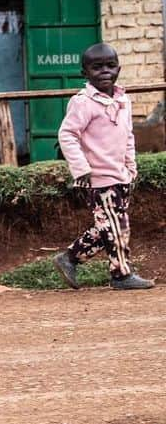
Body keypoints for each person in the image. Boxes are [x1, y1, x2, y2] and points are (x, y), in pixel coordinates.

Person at [53, 43, 154, 291]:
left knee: (108, 226)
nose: (105, 71)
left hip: (120, 174)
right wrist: (81, 168)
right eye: (97, 67)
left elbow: (127, 135)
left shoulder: (123, 100)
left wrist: (131, 166)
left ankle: (69, 258)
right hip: (98, 179)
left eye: (110, 66)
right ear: (84, 73)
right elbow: (67, 135)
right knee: (115, 227)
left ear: (119, 68)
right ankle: (121, 275)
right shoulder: (83, 102)